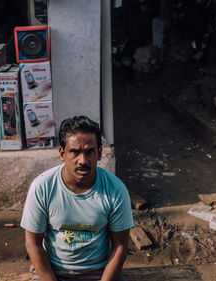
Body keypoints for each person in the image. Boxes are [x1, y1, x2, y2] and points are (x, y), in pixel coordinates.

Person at [21, 116, 134, 281]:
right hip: (53, 272)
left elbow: (120, 245)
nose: (83, 161)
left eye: (90, 152)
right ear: (62, 153)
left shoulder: (115, 189)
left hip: (100, 273)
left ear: (100, 153)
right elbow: (33, 243)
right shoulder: (42, 187)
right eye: (74, 152)